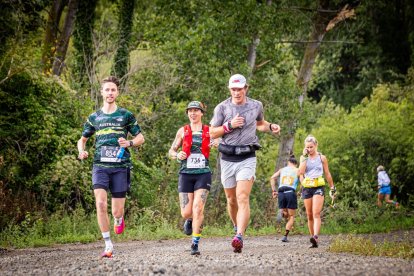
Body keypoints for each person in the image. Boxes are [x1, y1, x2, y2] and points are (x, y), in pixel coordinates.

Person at [210, 74, 281, 253]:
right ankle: (236, 226)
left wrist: (271, 127)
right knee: (231, 199)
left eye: (240, 89)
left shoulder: (256, 105)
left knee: (242, 197)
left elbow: (260, 124)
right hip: (227, 158)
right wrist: (229, 125)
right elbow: (211, 133)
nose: (237, 92)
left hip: (248, 156)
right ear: (229, 90)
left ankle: (239, 236)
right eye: (233, 89)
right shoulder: (222, 107)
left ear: (245, 88)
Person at [77, 76, 145, 258]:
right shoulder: (94, 117)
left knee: (116, 210)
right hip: (100, 166)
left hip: (120, 167)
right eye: (107, 90)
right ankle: (108, 244)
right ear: (102, 92)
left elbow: (140, 138)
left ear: (117, 92)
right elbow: (82, 140)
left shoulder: (126, 115)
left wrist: (129, 143)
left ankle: (118, 218)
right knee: (100, 203)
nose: (110, 93)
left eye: (113, 90)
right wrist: (82, 151)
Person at [169, 101, 212, 255]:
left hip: (203, 173)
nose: (193, 113)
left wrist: (215, 143)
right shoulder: (182, 131)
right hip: (186, 173)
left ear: (201, 113)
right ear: (187, 113)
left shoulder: (209, 130)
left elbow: (219, 142)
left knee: (198, 208)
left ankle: (195, 243)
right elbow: (171, 150)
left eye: (196, 111)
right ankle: (190, 220)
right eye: (190, 111)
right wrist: (177, 155)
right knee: (187, 212)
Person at [298, 135, 335, 248]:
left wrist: (332, 187)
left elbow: (327, 173)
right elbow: (300, 172)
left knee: (316, 213)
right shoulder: (303, 158)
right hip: (307, 187)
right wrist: (304, 157)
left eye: (311, 147)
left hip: (318, 186)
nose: (309, 149)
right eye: (307, 147)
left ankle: (315, 237)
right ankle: (313, 239)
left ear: (316, 145)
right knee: (309, 215)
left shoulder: (322, 158)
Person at [270, 155, 299, 242]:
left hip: (281, 192)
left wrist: (273, 191)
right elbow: (303, 181)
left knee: (286, 213)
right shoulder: (297, 170)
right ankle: (285, 236)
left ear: (288, 163)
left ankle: (284, 212)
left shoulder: (282, 169)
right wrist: (301, 191)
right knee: (292, 216)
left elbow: (272, 178)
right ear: (296, 164)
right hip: (290, 192)